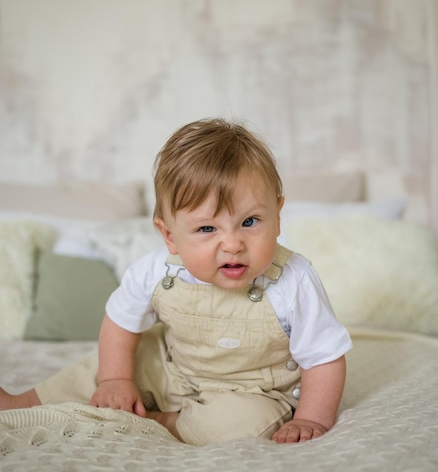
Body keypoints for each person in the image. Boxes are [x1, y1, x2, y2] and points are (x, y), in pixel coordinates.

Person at [0, 118, 352, 445]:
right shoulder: (156, 271)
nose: (232, 244)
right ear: (169, 235)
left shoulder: (294, 280)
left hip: (254, 391)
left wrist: (312, 419)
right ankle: (21, 402)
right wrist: (115, 379)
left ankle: (162, 420)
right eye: (207, 228)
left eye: (250, 222)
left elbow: (324, 358)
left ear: (277, 216)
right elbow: (121, 323)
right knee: (101, 366)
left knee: (241, 422)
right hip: (175, 372)